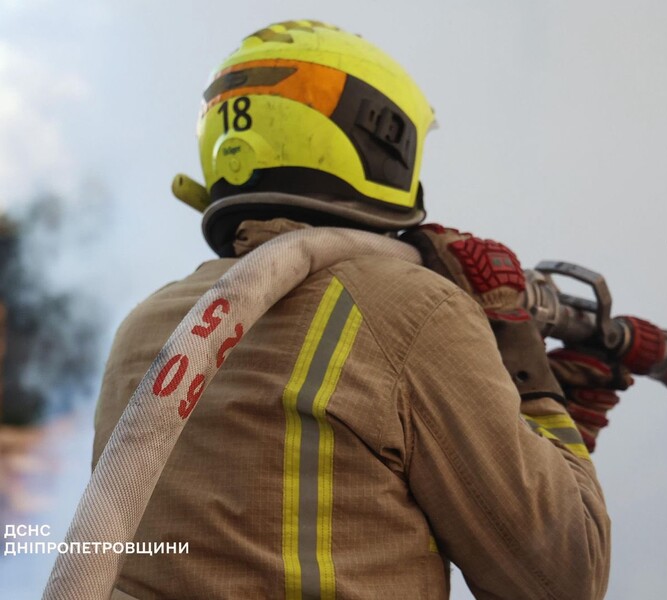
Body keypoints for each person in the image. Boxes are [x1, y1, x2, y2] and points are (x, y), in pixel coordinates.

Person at [93, 20, 624, 600]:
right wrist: (529, 375)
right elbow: (563, 578)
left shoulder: (144, 329)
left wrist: (529, 444)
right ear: (383, 138)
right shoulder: (411, 311)